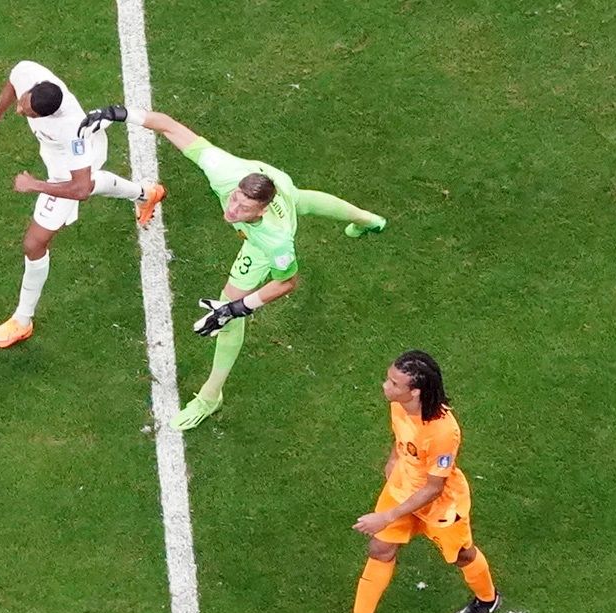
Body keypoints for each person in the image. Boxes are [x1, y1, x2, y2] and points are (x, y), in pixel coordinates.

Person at [78, 106, 387, 429]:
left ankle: (211, 396)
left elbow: (287, 281)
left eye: (244, 207)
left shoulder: (275, 241)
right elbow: (169, 126)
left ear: (263, 209)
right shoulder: (224, 171)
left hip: (259, 242)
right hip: (274, 177)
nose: (233, 209)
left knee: (227, 310)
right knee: (298, 198)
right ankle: (369, 220)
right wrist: (119, 114)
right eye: (236, 198)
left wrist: (239, 307)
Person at [306, 350, 501, 613]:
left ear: (416, 391)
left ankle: (487, 600)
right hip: (402, 489)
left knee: (463, 555)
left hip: (440, 506)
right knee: (381, 548)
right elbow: (400, 438)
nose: (385, 386)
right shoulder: (400, 406)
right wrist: (393, 459)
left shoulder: (443, 433)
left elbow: (434, 488)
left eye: (394, 383)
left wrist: (385, 516)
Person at [0, 62, 167, 349]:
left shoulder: (71, 131)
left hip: (71, 167)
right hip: (60, 157)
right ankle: (145, 194)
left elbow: (80, 188)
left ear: (48, 114)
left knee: (34, 243)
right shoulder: (30, 75)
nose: (20, 110)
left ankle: (22, 321)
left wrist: (35, 185)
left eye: (28, 112)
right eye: (24, 104)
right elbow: (14, 81)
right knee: (92, 181)